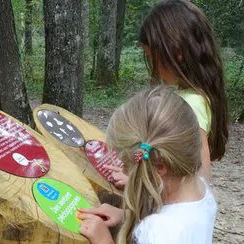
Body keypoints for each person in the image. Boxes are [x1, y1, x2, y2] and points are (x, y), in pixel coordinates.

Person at [107, 0, 228, 186]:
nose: (152, 68)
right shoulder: (193, 98)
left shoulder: (190, 106)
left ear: (176, 52)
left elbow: (198, 179)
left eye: (150, 56)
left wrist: (135, 183)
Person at [78, 86, 217, 244]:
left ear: (160, 167)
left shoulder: (158, 232)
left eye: (126, 166)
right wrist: (126, 215)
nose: (123, 170)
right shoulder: (201, 190)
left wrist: (103, 240)